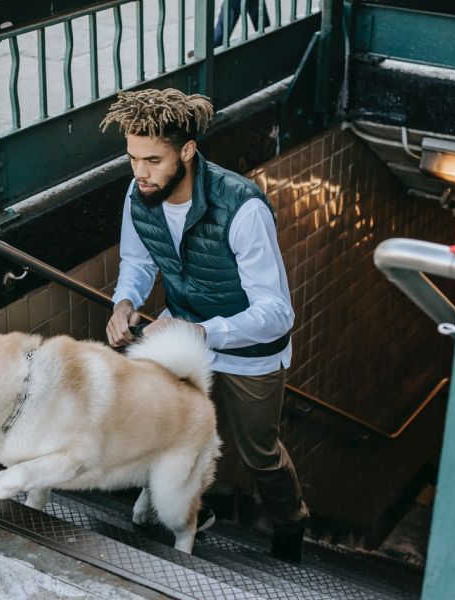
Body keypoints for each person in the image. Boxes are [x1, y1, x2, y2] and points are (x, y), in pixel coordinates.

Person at [99, 88, 308, 563]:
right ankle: (192, 510)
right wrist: (124, 302)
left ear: (188, 151)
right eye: (133, 158)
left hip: (249, 351)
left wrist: (203, 332)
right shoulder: (139, 193)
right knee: (162, 429)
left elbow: (277, 312)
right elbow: (138, 261)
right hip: (183, 335)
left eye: (153, 160)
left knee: (259, 455)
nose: (139, 172)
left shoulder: (242, 207)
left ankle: (292, 526)